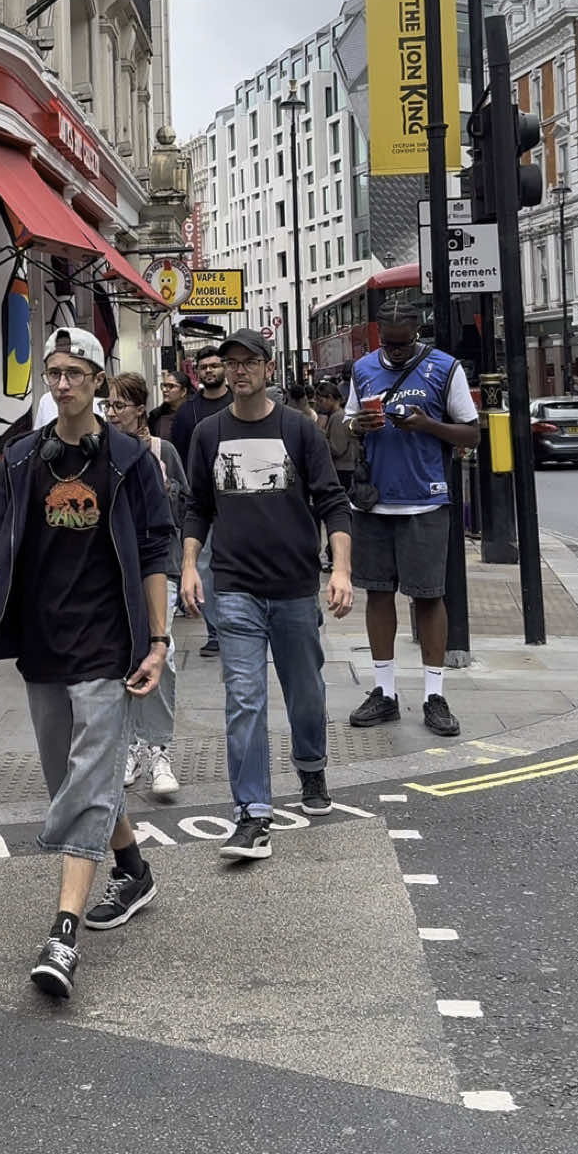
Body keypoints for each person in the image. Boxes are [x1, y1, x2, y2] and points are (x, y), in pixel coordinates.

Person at [0, 327, 173, 1001]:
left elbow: (158, 549)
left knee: (85, 786)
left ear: (97, 380)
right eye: (52, 372)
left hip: (108, 646)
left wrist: (159, 641)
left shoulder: (129, 462)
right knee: (71, 780)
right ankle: (133, 868)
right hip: (44, 647)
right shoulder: (23, 459)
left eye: (73, 372)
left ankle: (62, 935)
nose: (60, 383)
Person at [181, 330, 353, 862]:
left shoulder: (299, 430)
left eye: (248, 361)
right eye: (229, 363)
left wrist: (341, 570)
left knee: (305, 690)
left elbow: (333, 503)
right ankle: (252, 814)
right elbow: (196, 507)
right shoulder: (209, 433)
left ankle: (310, 767)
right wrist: (189, 566)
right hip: (233, 587)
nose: (238, 371)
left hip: (296, 586)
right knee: (245, 698)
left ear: (268, 367)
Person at [344, 297, 480, 740]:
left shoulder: (445, 367)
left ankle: (434, 696)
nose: (397, 350)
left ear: (417, 333)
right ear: (378, 335)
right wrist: (358, 426)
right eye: (390, 342)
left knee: (428, 596)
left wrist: (428, 426)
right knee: (378, 594)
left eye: (404, 343)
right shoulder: (363, 368)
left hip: (426, 499)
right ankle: (384, 692)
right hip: (374, 501)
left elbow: (472, 433)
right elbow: (347, 424)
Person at [107, 372, 188, 802]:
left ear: (141, 408)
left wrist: (190, 566)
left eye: (120, 405)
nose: (112, 412)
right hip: (114, 571)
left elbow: (185, 505)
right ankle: (130, 747)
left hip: (162, 569)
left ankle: (158, 749)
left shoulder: (163, 452)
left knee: (163, 653)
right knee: (122, 655)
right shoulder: (100, 451)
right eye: (109, 405)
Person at [172, 348, 231, 658]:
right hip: (203, 499)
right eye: (204, 367)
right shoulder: (188, 411)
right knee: (205, 565)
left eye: (214, 365)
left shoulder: (238, 401)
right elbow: (181, 455)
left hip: (238, 497)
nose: (209, 371)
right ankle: (216, 632)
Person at [147, 369, 190, 442]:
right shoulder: (156, 416)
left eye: (171, 386)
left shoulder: (193, 414)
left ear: (183, 391)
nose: (164, 390)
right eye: (164, 385)